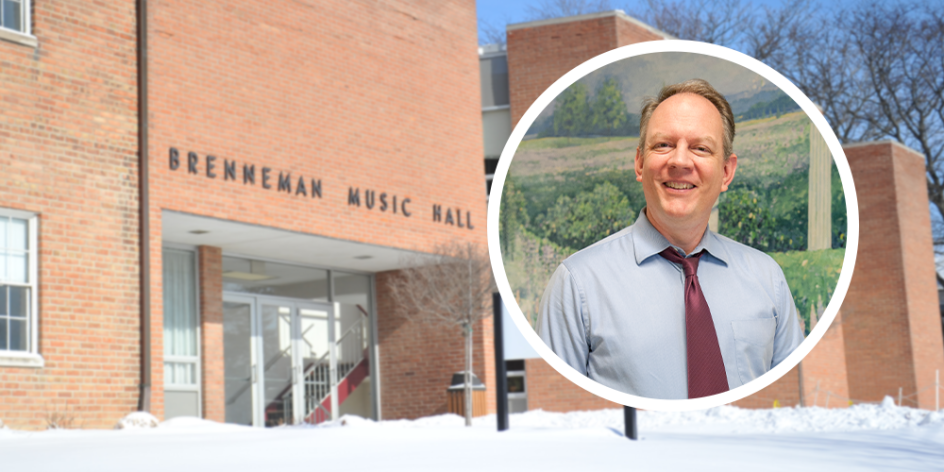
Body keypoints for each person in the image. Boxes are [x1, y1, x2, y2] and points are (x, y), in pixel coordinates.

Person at [537, 79, 804, 400]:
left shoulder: (768, 279)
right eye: (663, 145)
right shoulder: (577, 284)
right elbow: (559, 409)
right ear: (639, 163)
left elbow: (792, 402)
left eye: (700, 148)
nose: (679, 161)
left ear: (726, 173)